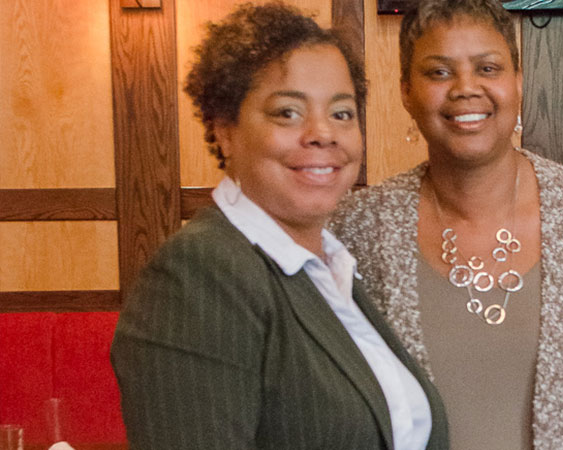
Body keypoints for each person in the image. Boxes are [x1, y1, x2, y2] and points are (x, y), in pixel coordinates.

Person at [329, 0, 563, 447]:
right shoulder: (353, 231)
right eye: (438, 72)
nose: (465, 88)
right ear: (406, 92)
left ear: (518, 82)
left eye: (488, 68)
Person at [110, 3, 448, 449]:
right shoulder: (201, 273)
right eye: (288, 113)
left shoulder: (330, 269)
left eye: (342, 113)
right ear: (225, 129)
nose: (322, 133)